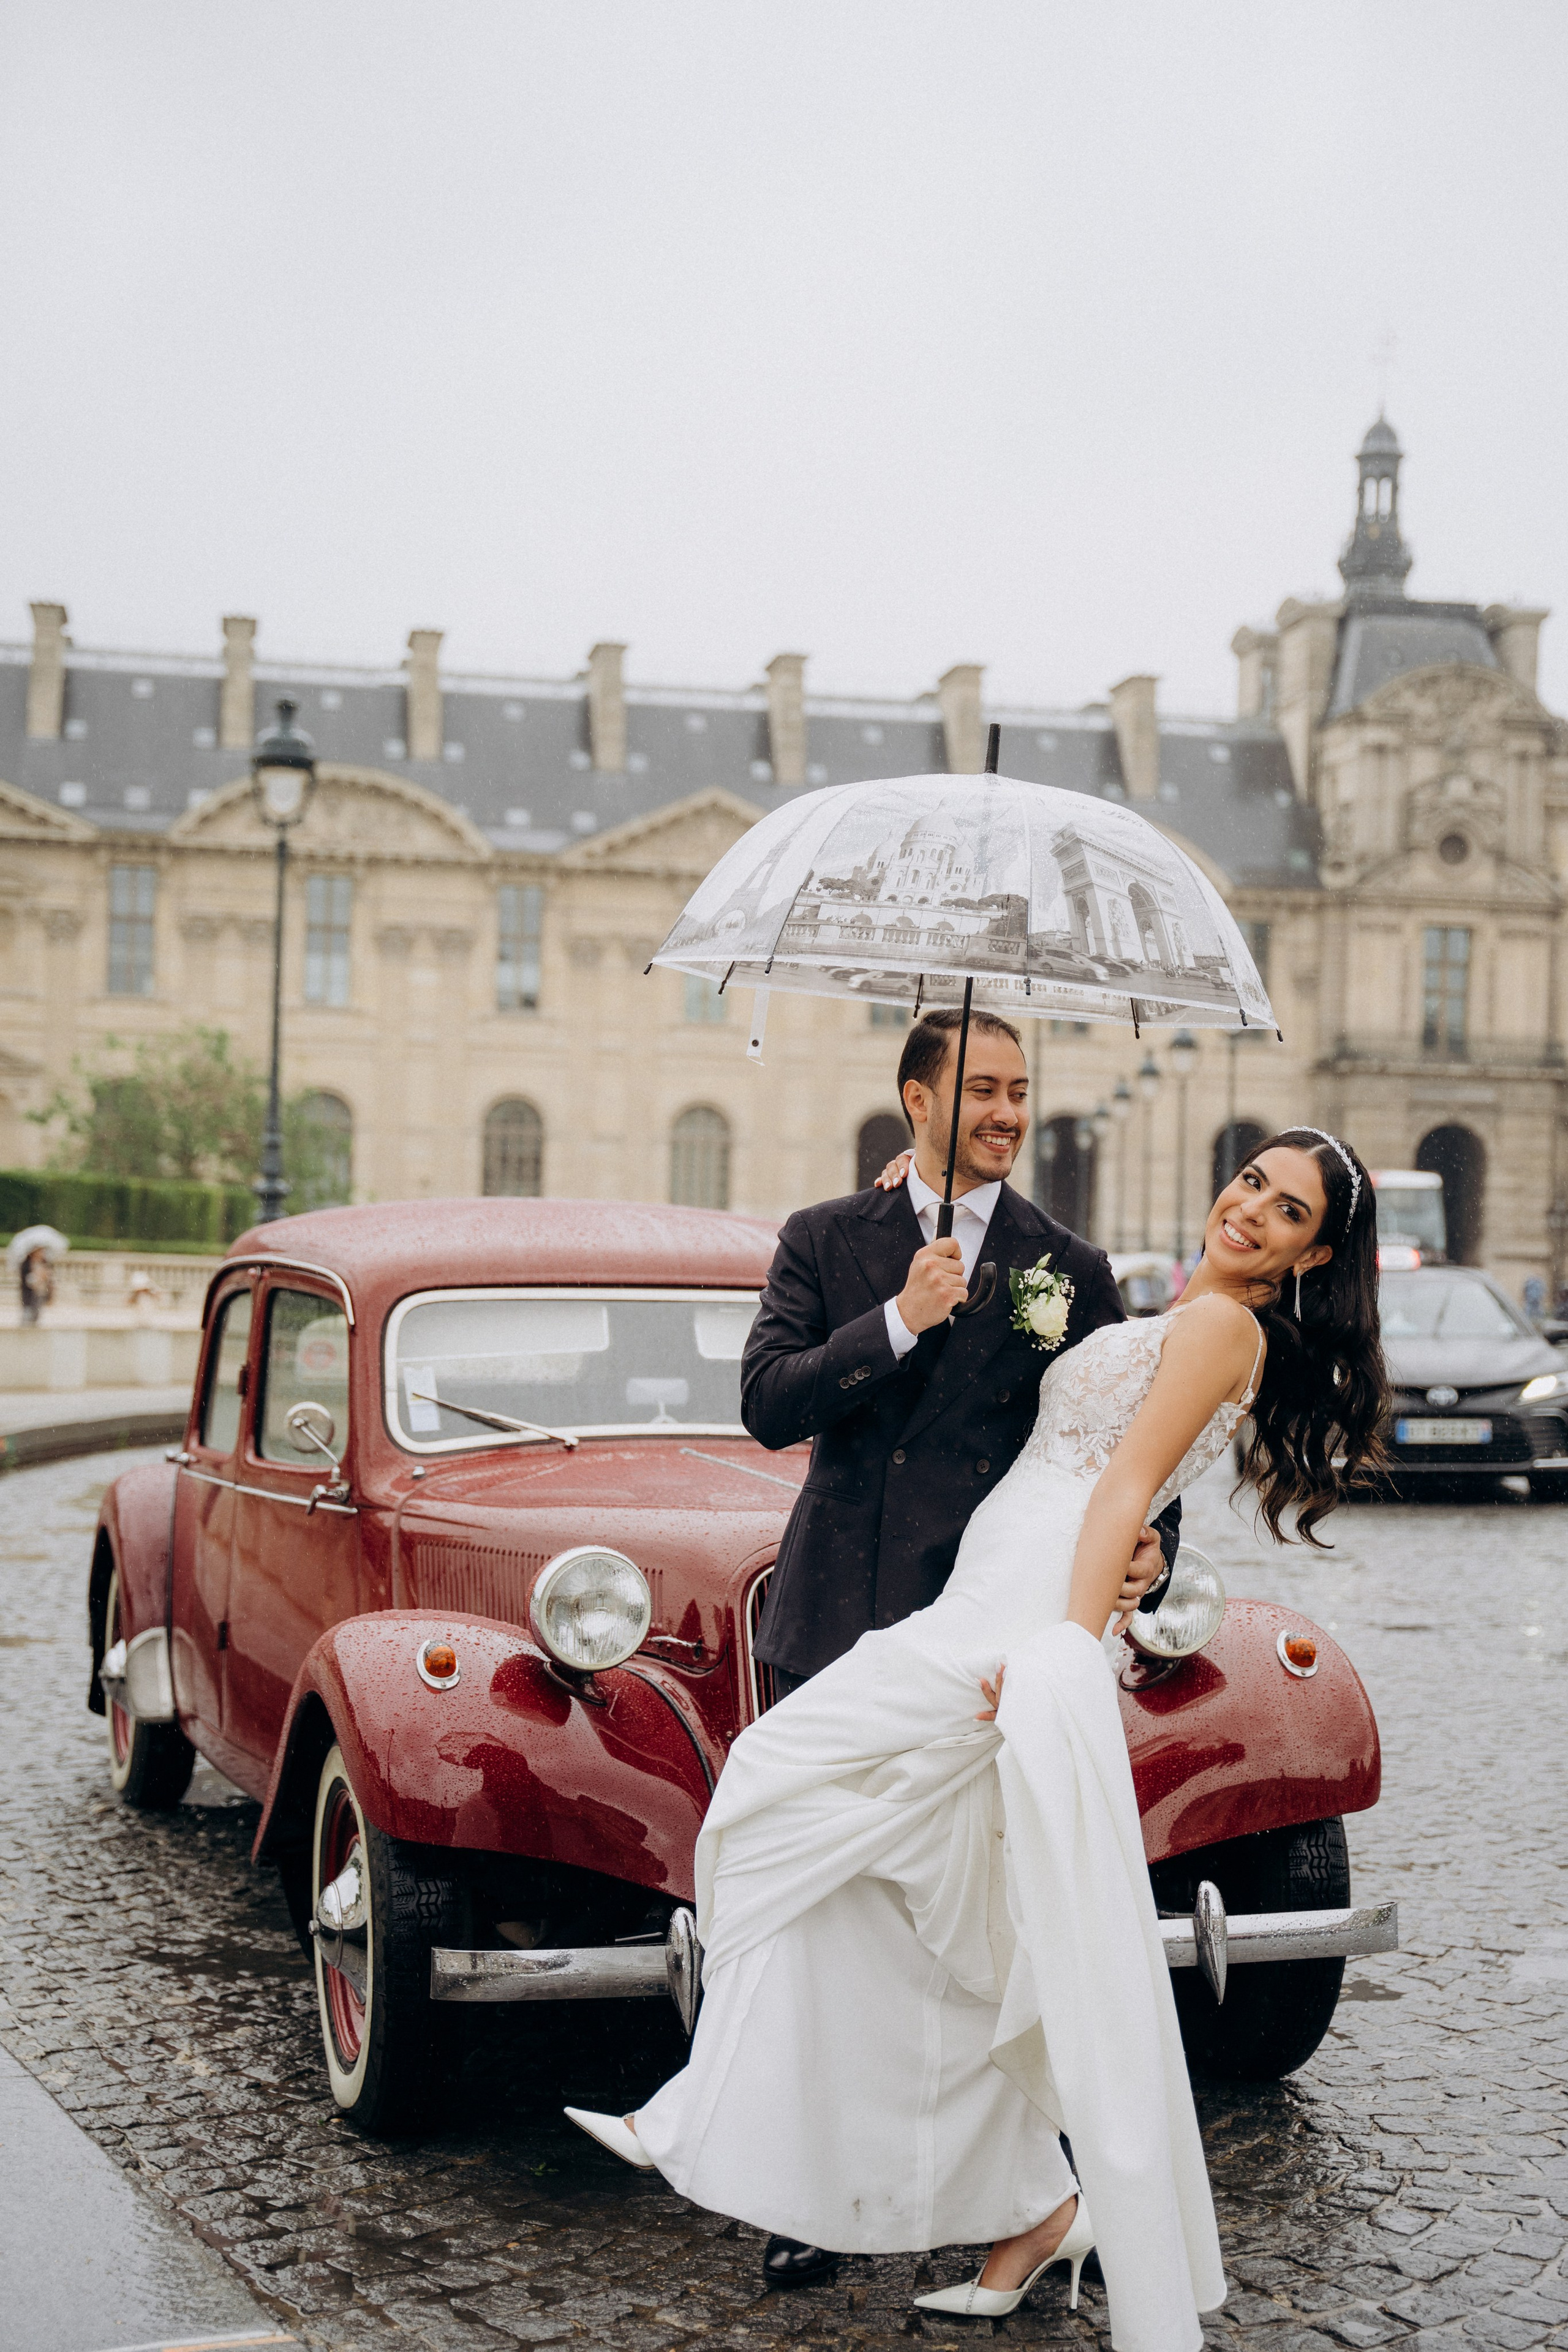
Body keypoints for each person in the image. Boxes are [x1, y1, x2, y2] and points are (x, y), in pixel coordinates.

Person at [566, 1126, 1387, 2352]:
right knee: (918, 1916)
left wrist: (1057, 1649)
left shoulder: (1224, 1330)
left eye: (1283, 1211)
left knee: (771, 1782)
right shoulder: (1184, 1310)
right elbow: (1110, 1465)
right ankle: (1036, 2210)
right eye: (1249, 1181)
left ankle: (700, 2114)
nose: (1248, 1208)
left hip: (1012, 1625)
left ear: (1311, 1252)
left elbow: (1118, 1491)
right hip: (984, 1598)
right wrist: (928, 1195)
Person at [739, 1006, 1177, 2287]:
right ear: (914, 1102)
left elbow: (1122, 1458)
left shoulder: (1068, 1267)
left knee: (981, 1923)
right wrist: (894, 1320)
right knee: (831, 1920)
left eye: (1019, 1089)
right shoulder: (825, 1239)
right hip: (842, 1621)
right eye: (980, 1089)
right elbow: (766, 1405)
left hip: (993, 1636)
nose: (1005, 1111)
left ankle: (1021, 2190)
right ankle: (811, 2194)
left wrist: (1154, 1550)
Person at [18, 1246, 54, 1327]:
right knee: (27, 1313)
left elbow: (49, 1279)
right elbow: (27, 1280)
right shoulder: (26, 1264)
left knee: (37, 1314)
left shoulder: (45, 1263)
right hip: (29, 1293)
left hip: (40, 1292)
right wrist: (37, 1277)